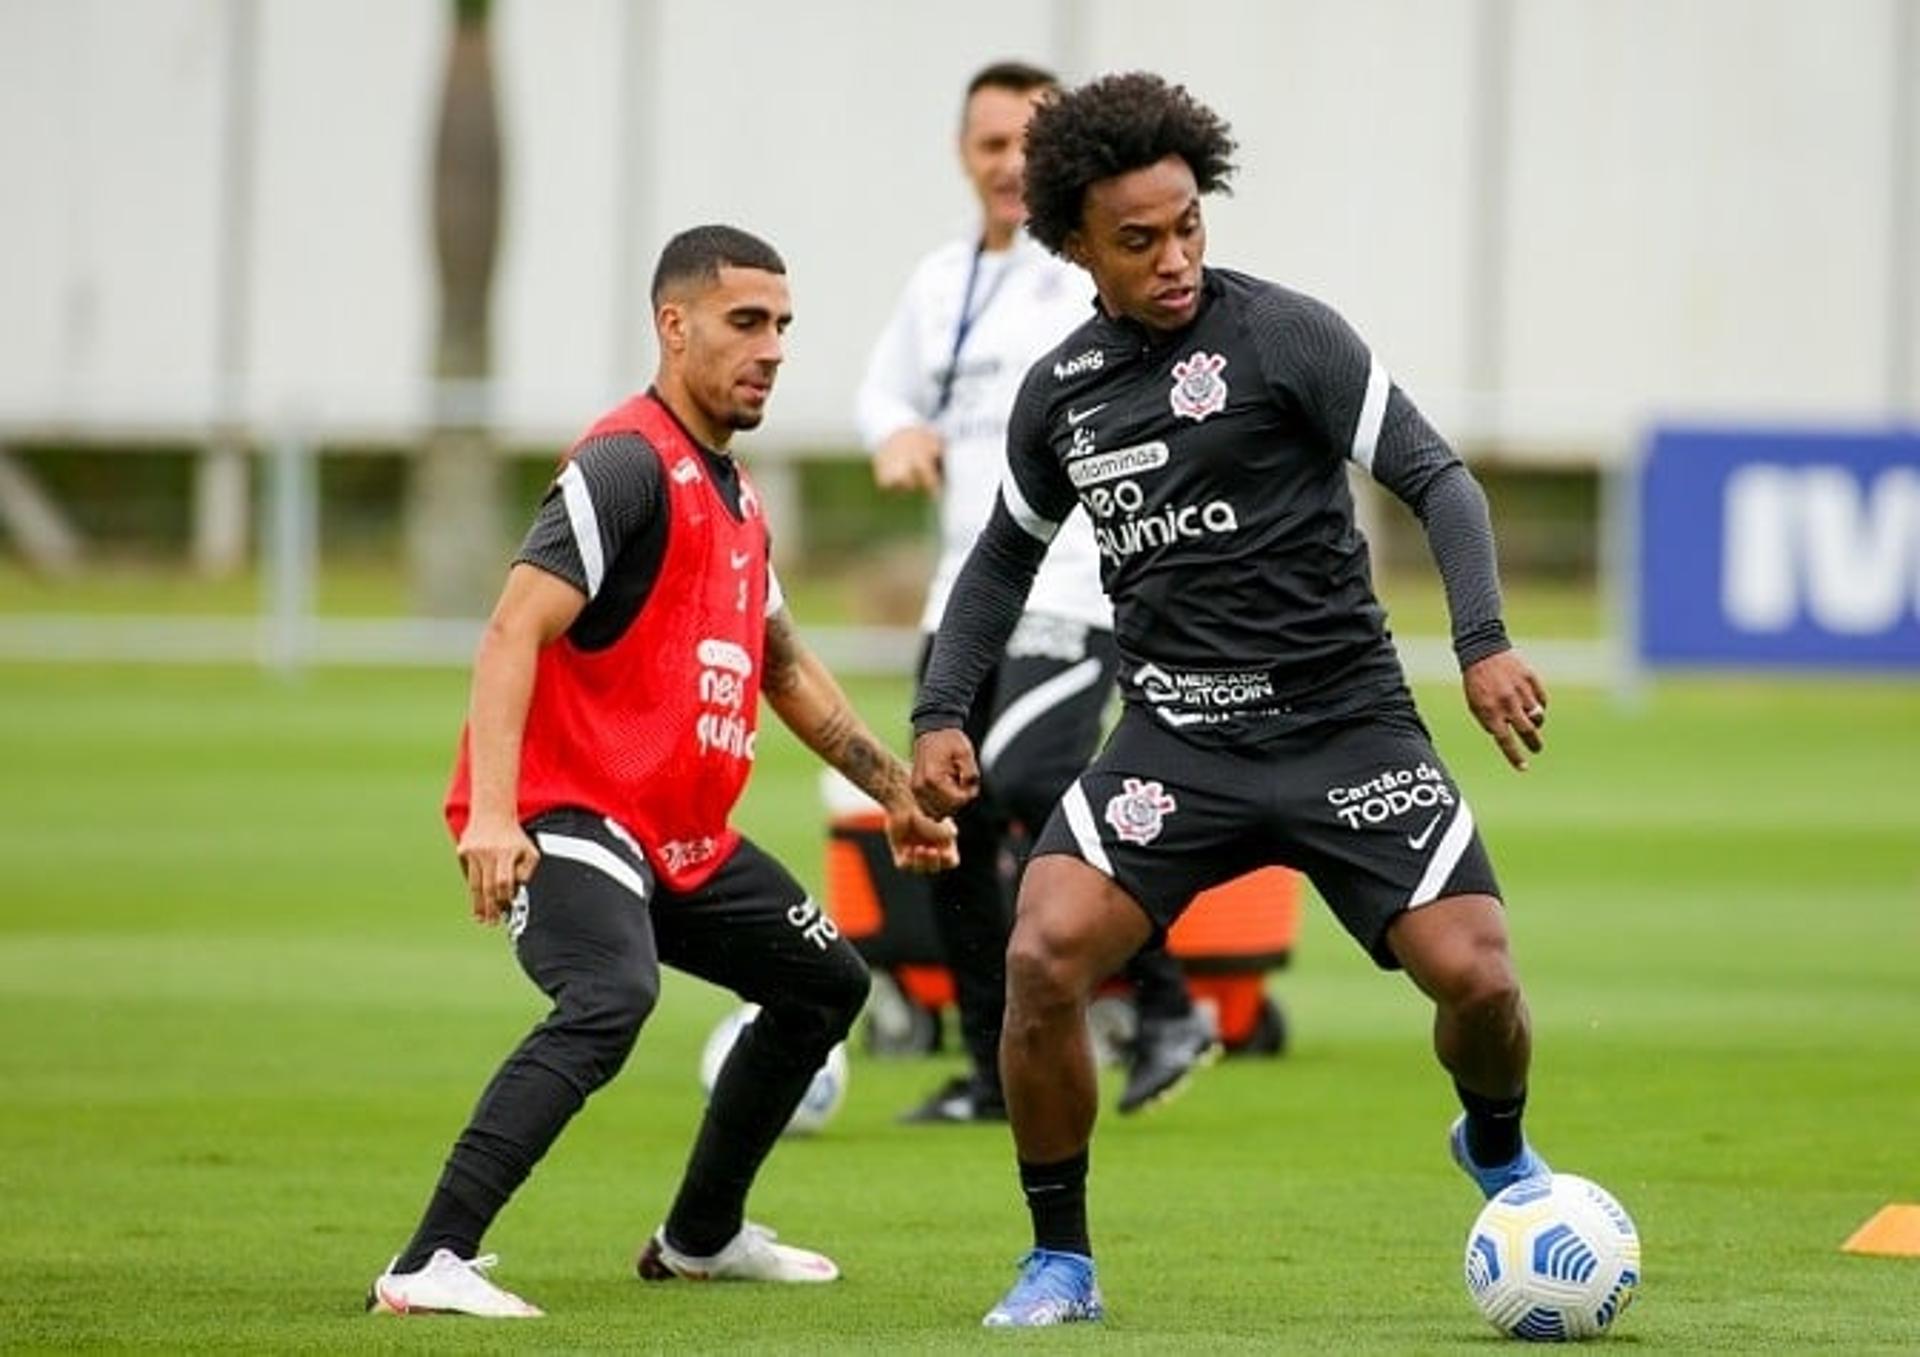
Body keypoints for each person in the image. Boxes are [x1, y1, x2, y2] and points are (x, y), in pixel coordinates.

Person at [910, 73, 1554, 1328]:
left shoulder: (1285, 336)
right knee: (1042, 953)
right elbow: (999, 557)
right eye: (1138, 240)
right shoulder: (1064, 396)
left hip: (1344, 723)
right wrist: (942, 712)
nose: (1174, 259)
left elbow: (1439, 478)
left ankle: (1496, 1141)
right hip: (1176, 744)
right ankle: (1061, 1259)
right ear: (1076, 246)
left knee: (1477, 980)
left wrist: (1480, 644)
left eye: (1189, 225)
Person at [367, 224, 957, 1320]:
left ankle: (700, 1237)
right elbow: (510, 632)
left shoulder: (735, 498)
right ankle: (427, 1262)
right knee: (610, 993)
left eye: (782, 325)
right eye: (746, 322)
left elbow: (782, 665)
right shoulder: (625, 464)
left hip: (679, 837)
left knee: (823, 983)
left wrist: (894, 791)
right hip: (573, 810)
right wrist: (494, 817)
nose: (772, 347)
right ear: (672, 325)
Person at [856, 60, 1217, 1125]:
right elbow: (882, 387)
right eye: (988, 144)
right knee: (941, 812)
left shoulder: (1095, 270)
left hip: (1078, 589)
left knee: (1023, 775)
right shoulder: (942, 281)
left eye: (1029, 142)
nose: (1009, 163)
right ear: (964, 156)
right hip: (961, 599)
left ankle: (1164, 1004)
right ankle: (992, 1064)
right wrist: (897, 431)